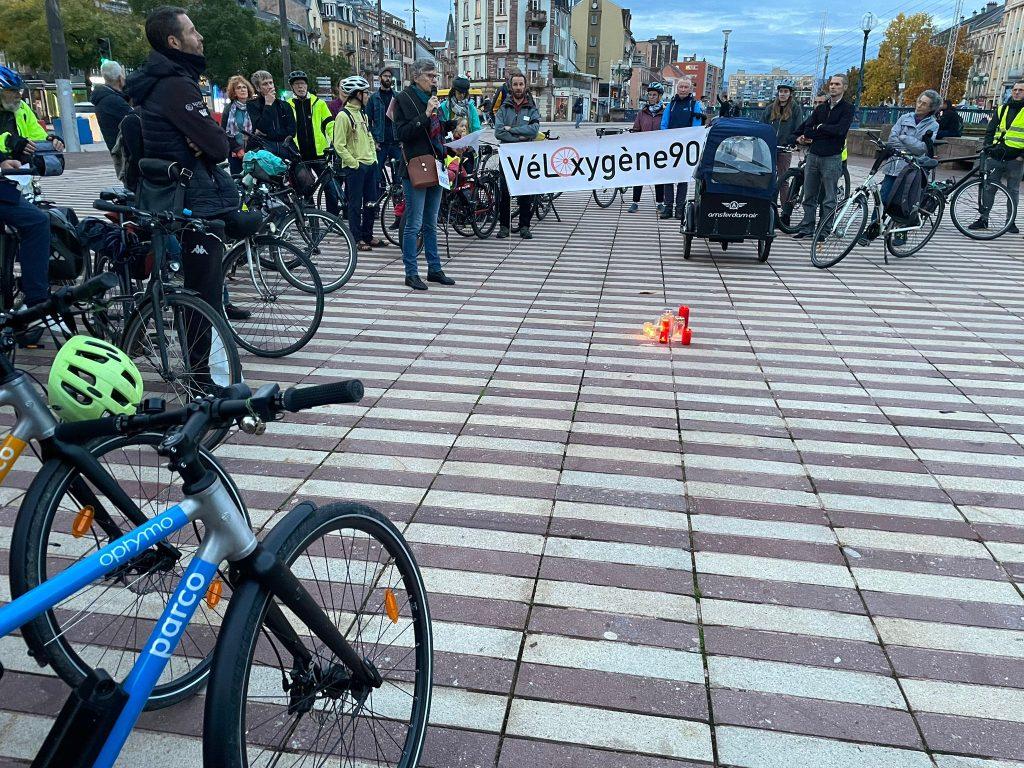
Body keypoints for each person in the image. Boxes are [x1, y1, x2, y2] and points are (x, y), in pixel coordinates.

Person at [126, 6, 253, 374]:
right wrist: (210, 140)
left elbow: (209, 139)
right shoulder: (175, 85)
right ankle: (207, 377)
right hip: (193, 200)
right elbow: (217, 146)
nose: (200, 37)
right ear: (174, 41)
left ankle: (204, 369)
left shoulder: (159, 81)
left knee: (198, 289)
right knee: (204, 295)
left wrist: (207, 138)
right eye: (193, 31)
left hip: (178, 194)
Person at [392, 57, 456, 290]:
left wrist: (450, 125)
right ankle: (411, 273)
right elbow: (402, 133)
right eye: (430, 76)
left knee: (431, 222)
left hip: (437, 163)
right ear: (416, 76)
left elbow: (434, 129)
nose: (434, 80)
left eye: (435, 76)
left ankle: (434, 269)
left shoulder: (432, 99)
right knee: (414, 223)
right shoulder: (403, 99)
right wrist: (426, 115)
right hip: (415, 167)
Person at [0, 66, 54, 315]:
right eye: (12, 92)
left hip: (11, 180)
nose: (18, 97)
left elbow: (34, 136)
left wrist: (52, 141)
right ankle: (37, 302)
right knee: (36, 223)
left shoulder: (16, 111)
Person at [870, 89, 940, 246]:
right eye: (919, 101)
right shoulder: (904, 117)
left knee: (905, 200)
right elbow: (891, 139)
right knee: (883, 196)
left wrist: (903, 138)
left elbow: (921, 148)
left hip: (912, 168)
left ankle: (901, 233)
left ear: (931, 108)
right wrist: (908, 143)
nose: (919, 105)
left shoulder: (933, 125)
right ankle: (873, 226)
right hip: (895, 164)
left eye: (924, 104)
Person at [791, 74, 855, 239]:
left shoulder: (847, 108)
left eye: (837, 84)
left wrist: (820, 128)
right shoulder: (821, 108)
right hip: (814, 155)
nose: (833, 87)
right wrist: (822, 129)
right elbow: (807, 129)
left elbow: (840, 131)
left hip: (832, 157)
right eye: (831, 84)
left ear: (844, 87)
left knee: (829, 197)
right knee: (809, 194)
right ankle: (807, 227)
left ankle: (824, 230)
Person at [333, 75, 382, 252]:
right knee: (355, 204)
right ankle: (356, 238)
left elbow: (369, 136)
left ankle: (368, 235)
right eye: (365, 93)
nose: (368, 96)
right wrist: (353, 163)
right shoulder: (343, 116)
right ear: (357, 94)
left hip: (370, 163)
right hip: (356, 167)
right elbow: (338, 144)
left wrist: (374, 157)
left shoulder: (362, 113)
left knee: (371, 202)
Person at [970, 80, 1023, 235]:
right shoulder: (1002, 109)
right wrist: (988, 147)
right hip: (997, 155)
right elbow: (990, 130)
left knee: (1013, 190)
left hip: (1016, 158)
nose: (1017, 92)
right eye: (1015, 90)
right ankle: (983, 219)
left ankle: (1010, 221)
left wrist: (1022, 156)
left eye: (1020, 90)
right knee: (989, 187)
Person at [495, 69, 540, 239]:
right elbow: (498, 132)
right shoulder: (503, 108)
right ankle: (504, 227)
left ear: (525, 86)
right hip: (507, 156)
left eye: (521, 84)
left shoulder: (531, 108)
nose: (518, 87)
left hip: (526, 156)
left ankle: (524, 226)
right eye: (515, 84)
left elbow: (534, 130)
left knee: (525, 192)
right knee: (505, 192)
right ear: (510, 86)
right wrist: (520, 137)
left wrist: (512, 130)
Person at [287, 70, 337, 214]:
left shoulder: (319, 103)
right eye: (296, 84)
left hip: (319, 153)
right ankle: (311, 218)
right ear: (292, 87)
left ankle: (332, 217)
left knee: (330, 187)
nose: (300, 87)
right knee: (306, 188)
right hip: (300, 155)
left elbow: (330, 124)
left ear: (307, 85)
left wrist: (335, 141)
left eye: (302, 84)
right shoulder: (288, 105)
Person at [659, 77, 705, 220]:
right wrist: (665, 138)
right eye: (681, 87)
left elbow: (696, 126)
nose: (683, 89)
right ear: (677, 88)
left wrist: (689, 140)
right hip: (671, 146)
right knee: (668, 177)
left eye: (686, 87)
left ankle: (680, 208)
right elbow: (664, 123)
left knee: (682, 179)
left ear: (690, 89)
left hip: (686, 147)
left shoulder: (694, 105)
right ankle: (668, 207)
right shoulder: (671, 104)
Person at [761, 80, 804, 205]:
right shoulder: (770, 108)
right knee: (767, 177)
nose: (782, 94)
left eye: (786, 91)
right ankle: (766, 206)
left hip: (784, 148)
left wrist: (793, 141)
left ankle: (785, 212)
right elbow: (762, 125)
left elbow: (798, 127)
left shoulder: (795, 109)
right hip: (770, 147)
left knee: (783, 179)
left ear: (790, 93)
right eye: (781, 91)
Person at [629, 82, 666, 214]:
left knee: (659, 177)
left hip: (659, 151)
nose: (651, 97)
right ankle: (635, 202)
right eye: (649, 94)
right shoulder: (642, 113)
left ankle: (660, 203)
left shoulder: (665, 113)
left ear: (659, 96)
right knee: (639, 175)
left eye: (654, 95)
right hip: (643, 150)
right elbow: (636, 129)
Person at [247, 70, 296, 158]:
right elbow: (261, 127)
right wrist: (268, 104)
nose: (269, 86)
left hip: (285, 146)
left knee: (303, 170)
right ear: (258, 88)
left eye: (271, 83)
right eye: (265, 84)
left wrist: (269, 134)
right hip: (264, 148)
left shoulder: (284, 105)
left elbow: (292, 130)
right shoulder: (252, 105)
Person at [91, 60, 132, 152]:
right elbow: (135, 119)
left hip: (116, 148)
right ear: (120, 77)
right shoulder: (114, 101)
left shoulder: (103, 97)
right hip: (124, 151)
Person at [220, 74, 253, 175]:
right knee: (238, 182)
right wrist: (238, 150)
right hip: (235, 153)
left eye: (244, 87)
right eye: (239, 88)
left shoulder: (254, 107)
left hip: (253, 152)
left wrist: (249, 151)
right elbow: (224, 132)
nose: (243, 90)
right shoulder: (228, 109)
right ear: (234, 92)